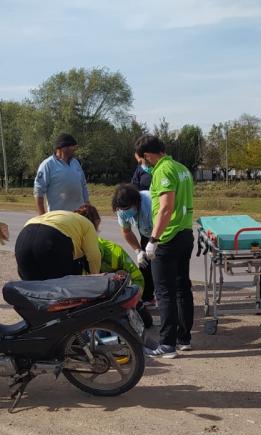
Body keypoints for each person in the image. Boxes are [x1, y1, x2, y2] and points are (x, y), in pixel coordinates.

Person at [138, 134, 195, 359]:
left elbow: (165, 208)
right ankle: (184, 338)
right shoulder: (182, 168)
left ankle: (167, 345)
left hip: (168, 237)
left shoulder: (163, 170)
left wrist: (153, 240)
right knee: (183, 288)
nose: (145, 163)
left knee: (164, 292)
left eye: (145, 159)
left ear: (149, 154)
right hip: (185, 233)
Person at [73, 204, 153, 330]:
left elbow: (138, 280)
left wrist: (131, 300)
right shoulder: (76, 252)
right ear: (97, 223)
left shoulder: (112, 251)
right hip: (89, 304)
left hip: (113, 302)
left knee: (145, 322)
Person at [15, 209, 100, 281]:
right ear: (94, 221)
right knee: (58, 289)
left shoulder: (65, 217)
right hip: (51, 241)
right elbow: (94, 257)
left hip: (24, 237)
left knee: (31, 288)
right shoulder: (87, 224)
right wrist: (95, 280)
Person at [111, 183, 155, 305]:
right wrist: (138, 250)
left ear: (136, 202)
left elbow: (164, 224)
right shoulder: (121, 210)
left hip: (164, 234)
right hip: (146, 234)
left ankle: (167, 300)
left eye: (127, 208)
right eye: (122, 209)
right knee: (145, 266)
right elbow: (126, 231)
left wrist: (155, 242)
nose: (125, 211)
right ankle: (147, 298)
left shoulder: (150, 202)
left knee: (160, 269)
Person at [33, 133, 88, 214]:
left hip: (78, 215)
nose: (74, 149)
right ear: (63, 148)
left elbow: (83, 185)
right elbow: (38, 192)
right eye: (72, 146)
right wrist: (42, 217)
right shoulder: (47, 165)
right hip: (58, 217)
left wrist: (87, 203)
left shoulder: (75, 163)